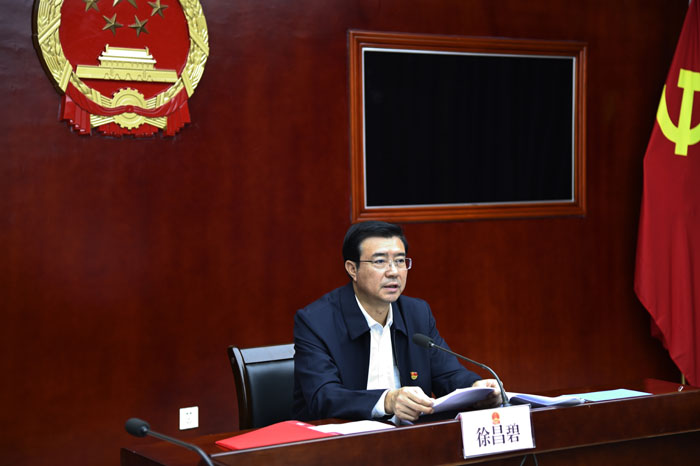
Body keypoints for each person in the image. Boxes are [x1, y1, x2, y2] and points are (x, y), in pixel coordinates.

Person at [293, 221, 502, 422]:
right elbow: (323, 396)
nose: (393, 271)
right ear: (352, 269)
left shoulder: (416, 313)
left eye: (400, 261)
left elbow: (447, 374)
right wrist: (387, 400)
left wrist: (476, 388)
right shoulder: (316, 321)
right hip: (340, 439)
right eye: (380, 261)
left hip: (406, 437)